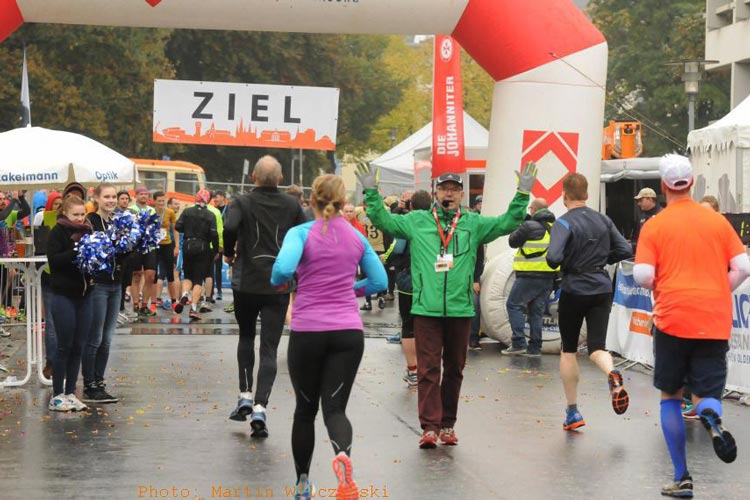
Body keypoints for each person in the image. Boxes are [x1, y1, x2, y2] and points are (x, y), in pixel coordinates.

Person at [358, 164, 537, 448]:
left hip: (460, 309)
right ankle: (429, 427)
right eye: (444, 188)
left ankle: (447, 424)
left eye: (454, 189)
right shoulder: (417, 221)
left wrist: (522, 193)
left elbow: (507, 222)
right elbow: (382, 221)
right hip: (426, 309)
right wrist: (371, 192)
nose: (449, 193)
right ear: (436, 192)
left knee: (454, 369)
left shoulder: (473, 223)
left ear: (462, 194)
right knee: (428, 370)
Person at [633, 154, 750, 498]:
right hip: (713, 319)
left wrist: (658, 282)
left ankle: (682, 477)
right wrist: (718, 289)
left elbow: (642, 275)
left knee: (671, 395)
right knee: (706, 395)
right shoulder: (716, 221)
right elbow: (743, 266)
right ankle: (711, 416)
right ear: (693, 182)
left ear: (664, 186)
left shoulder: (654, 225)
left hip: (672, 317)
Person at [271, 174, 387, 500]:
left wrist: (286, 283)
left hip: (309, 330)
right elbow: (378, 282)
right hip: (348, 332)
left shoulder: (301, 232)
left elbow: (281, 271)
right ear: (343, 201)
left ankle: (303, 483)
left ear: (311, 199)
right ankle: (343, 459)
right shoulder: (355, 237)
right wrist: (351, 289)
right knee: (335, 410)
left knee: (305, 411)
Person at [224, 155, 307, 437]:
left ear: (253, 177)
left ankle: (245, 394)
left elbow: (230, 226)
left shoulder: (241, 201)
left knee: (246, 336)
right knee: (269, 347)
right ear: (281, 179)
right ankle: (260, 406)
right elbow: (305, 234)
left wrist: (228, 250)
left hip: (246, 280)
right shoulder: (293, 204)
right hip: (278, 283)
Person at [546, 173, 633, 431]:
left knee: (569, 350)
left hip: (574, 288)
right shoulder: (603, 220)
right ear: (586, 194)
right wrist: (601, 260)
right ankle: (611, 374)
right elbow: (625, 250)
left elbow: (553, 257)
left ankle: (573, 412)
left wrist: (570, 262)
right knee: (596, 346)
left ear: (564, 196)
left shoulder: (563, 223)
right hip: (602, 287)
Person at [47, 195, 94, 412]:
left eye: (82, 213)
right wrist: (77, 250)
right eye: (75, 214)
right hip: (63, 295)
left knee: (78, 346)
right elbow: (54, 260)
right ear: (65, 213)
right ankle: (57, 394)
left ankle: (70, 392)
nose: (80, 218)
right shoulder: (57, 232)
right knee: (64, 345)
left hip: (85, 295)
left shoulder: (89, 231)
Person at [385, 190, 432, 384]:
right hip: (430, 281)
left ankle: (413, 371)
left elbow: (396, 248)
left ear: (411, 206)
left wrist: (386, 260)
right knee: (429, 326)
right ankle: (429, 369)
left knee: (409, 326)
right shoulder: (437, 224)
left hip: (408, 281)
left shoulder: (408, 222)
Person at [82, 183, 123, 404]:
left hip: (116, 284)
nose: (111, 200)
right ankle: (89, 383)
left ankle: (99, 381)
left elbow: (125, 254)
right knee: (95, 337)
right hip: (98, 284)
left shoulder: (118, 221)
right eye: (106, 196)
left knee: (107, 339)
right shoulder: (91, 221)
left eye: (114, 196)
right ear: (96, 198)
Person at [502, 198, 558, 357]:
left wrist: (522, 224)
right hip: (548, 277)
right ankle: (535, 348)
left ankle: (518, 343)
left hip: (528, 274)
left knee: (514, 305)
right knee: (536, 312)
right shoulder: (556, 227)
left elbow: (513, 241)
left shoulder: (528, 226)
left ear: (533, 210)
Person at [175, 189, 218, 321]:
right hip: (203, 247)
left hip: (188, 245)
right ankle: (193, 308)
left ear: (196, 198)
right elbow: (214, 235)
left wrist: (187, 230)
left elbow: (178, 226)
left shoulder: (187, 211)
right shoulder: (211, 215)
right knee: (198, 280)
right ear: (208, 200)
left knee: (187, 276)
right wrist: (215, 250)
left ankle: (185, 293)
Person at [130, 187, 158, 316]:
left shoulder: (152, 210)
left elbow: (156, 227)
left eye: (146, 194)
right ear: (136, 196)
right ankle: (135, 304)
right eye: (141, 194)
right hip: (136, 246)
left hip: (149, 246)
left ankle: (144, 305)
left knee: (150, 276)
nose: (144, 196)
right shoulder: (131, 209)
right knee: (136, 275)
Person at [152, 191, 180, 312]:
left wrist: (177, 246)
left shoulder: (170, 212)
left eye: (163, 201)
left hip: (167, 245)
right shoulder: (150, 212)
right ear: (154, 201)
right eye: (159, 201)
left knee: (170, 274)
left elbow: (175, 230)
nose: (161, 203)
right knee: (153, 275)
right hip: (154, 246)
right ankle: (153, 302)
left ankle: (174, 301)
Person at [210, 190, 228, 301]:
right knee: (211, 267)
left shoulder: (228, 209)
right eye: (214, 197)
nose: (215, 199)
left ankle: (219, 291)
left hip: (223, 242)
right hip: (213, 242)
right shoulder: (213, 210)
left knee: (219, 267)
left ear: (222, 197)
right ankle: (210, 291)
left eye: (217, 197)